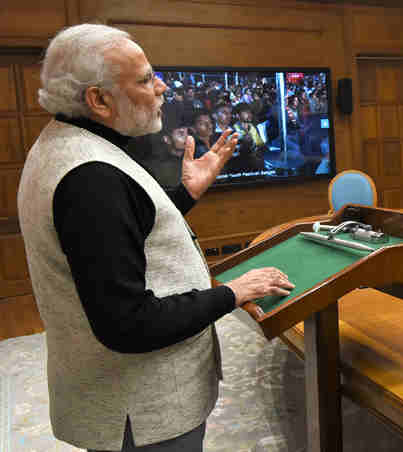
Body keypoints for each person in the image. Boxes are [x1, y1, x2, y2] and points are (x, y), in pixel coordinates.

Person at [17, 24, 295, 452]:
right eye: (146, 79)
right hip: (141, 412)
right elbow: (128, 324)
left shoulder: (70, 143)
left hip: (127, 403)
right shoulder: (90, 178)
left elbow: (122, 235)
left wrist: (185, 194)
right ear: (99, 99)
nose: (163, 86)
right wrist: (232, 293)